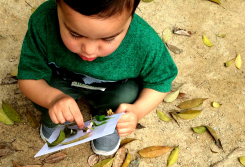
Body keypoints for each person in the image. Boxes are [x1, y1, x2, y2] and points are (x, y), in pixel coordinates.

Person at [17, 0, 178, 156]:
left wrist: (137, 111)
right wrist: (53, 99)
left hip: (114, 88)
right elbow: (30, 76)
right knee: (43, 93)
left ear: (130, 19)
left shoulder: (144, 41)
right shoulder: (44, 21)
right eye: (75, 34)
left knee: (129, 95)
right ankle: (57, 116)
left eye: (108, 38)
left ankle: (108, 123)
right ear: (57, 5)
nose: (89, 50)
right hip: (61, 80)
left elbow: (161, 80)